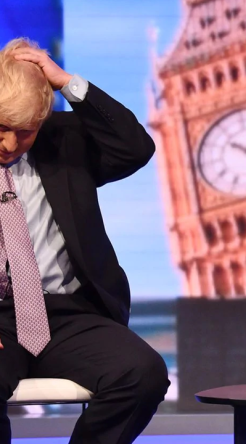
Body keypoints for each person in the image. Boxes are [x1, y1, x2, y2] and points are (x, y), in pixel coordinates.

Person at [0, 38, 170, 444]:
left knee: (142, 373)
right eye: (1, 128)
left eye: (24, 132)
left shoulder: (64, 142)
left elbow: (135, 148)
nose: (9, 145)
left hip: (68, 316)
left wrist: (65, 82)